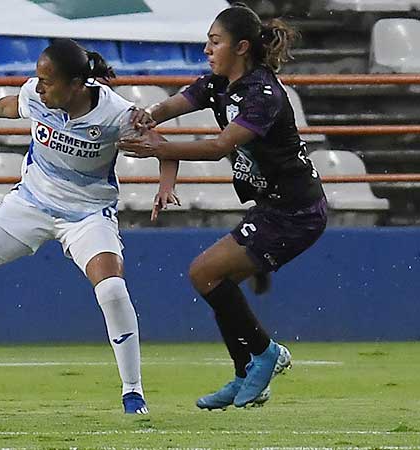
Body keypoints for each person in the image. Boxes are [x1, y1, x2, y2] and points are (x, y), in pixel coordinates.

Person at [0, 38, 181, 414]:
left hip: (88, 214)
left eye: (47, 80)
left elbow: (163, 146)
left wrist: (166, 185)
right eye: (37, 78)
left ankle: (133, 392)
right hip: (29, 203)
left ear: (77, 85)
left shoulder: (116, 114)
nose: (38, 85)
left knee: (111, 289)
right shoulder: (36, 95)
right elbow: (12, 105)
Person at [118, 3, 327, 409]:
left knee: (204, 273)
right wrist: (149, 117)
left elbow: (219, 147)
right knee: (210, 277)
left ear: (242, 47)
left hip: (297, 211)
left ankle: (265, 355)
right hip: (272, 206)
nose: (207, 49)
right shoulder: (217, 83)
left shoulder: (263, 94)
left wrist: (155, 149)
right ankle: (246, 370)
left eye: (215, 42)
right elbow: (173, 105)